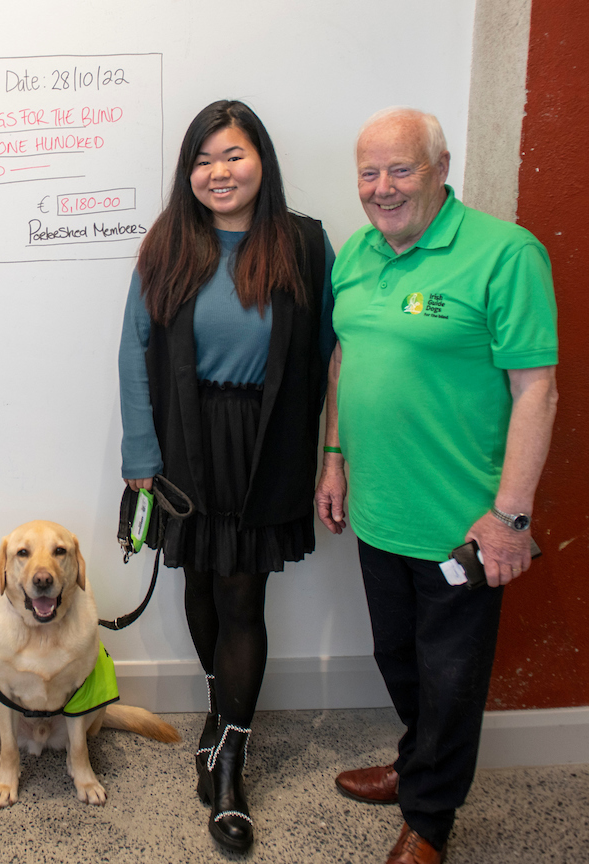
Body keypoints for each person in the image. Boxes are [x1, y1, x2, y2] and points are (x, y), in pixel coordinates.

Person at [314, 107, 558, 864]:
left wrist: (510, 519)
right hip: (380, 510)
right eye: (368, 172)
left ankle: (430, 821)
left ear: (441, 167)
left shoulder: (505, 254)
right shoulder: (353, 254)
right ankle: (417, 764)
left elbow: (536, 390)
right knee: (398, 658)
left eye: (400, 169)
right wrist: (334, 456)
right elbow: (344, 360)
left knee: (450, 680)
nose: (381, 188)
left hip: (462, 523)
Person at [118, 100, 335, 853]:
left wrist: (334, 452)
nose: (219, 172)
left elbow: (331, 354)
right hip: (185, 439)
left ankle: (232, 759)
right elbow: (132, 351)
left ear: (261, 162)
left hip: (266, 437)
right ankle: (221, 711)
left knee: (243, 591)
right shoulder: (169, 244)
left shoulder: (303, 244)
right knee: (201, 584)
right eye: (204, 159)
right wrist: (141, 456)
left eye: (233, 155)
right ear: (189, 172)